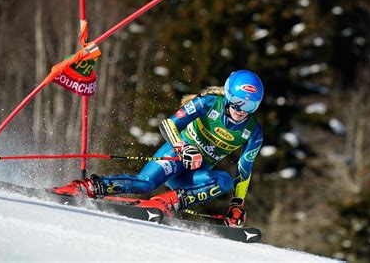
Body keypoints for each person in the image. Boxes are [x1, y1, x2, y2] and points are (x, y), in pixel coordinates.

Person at [54, 70, 264, 227]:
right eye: (237, 102)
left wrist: (237, 204)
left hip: (194, 175)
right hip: (176, 157)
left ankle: (165, 203)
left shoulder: (253, 132)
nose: (240, 110)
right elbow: (168, 124)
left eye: (249, 106)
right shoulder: (208, 103)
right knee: (146, 183)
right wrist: (182, 148)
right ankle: (87, 187)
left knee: (224, 181)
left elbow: (244, 171)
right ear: (228, 96)